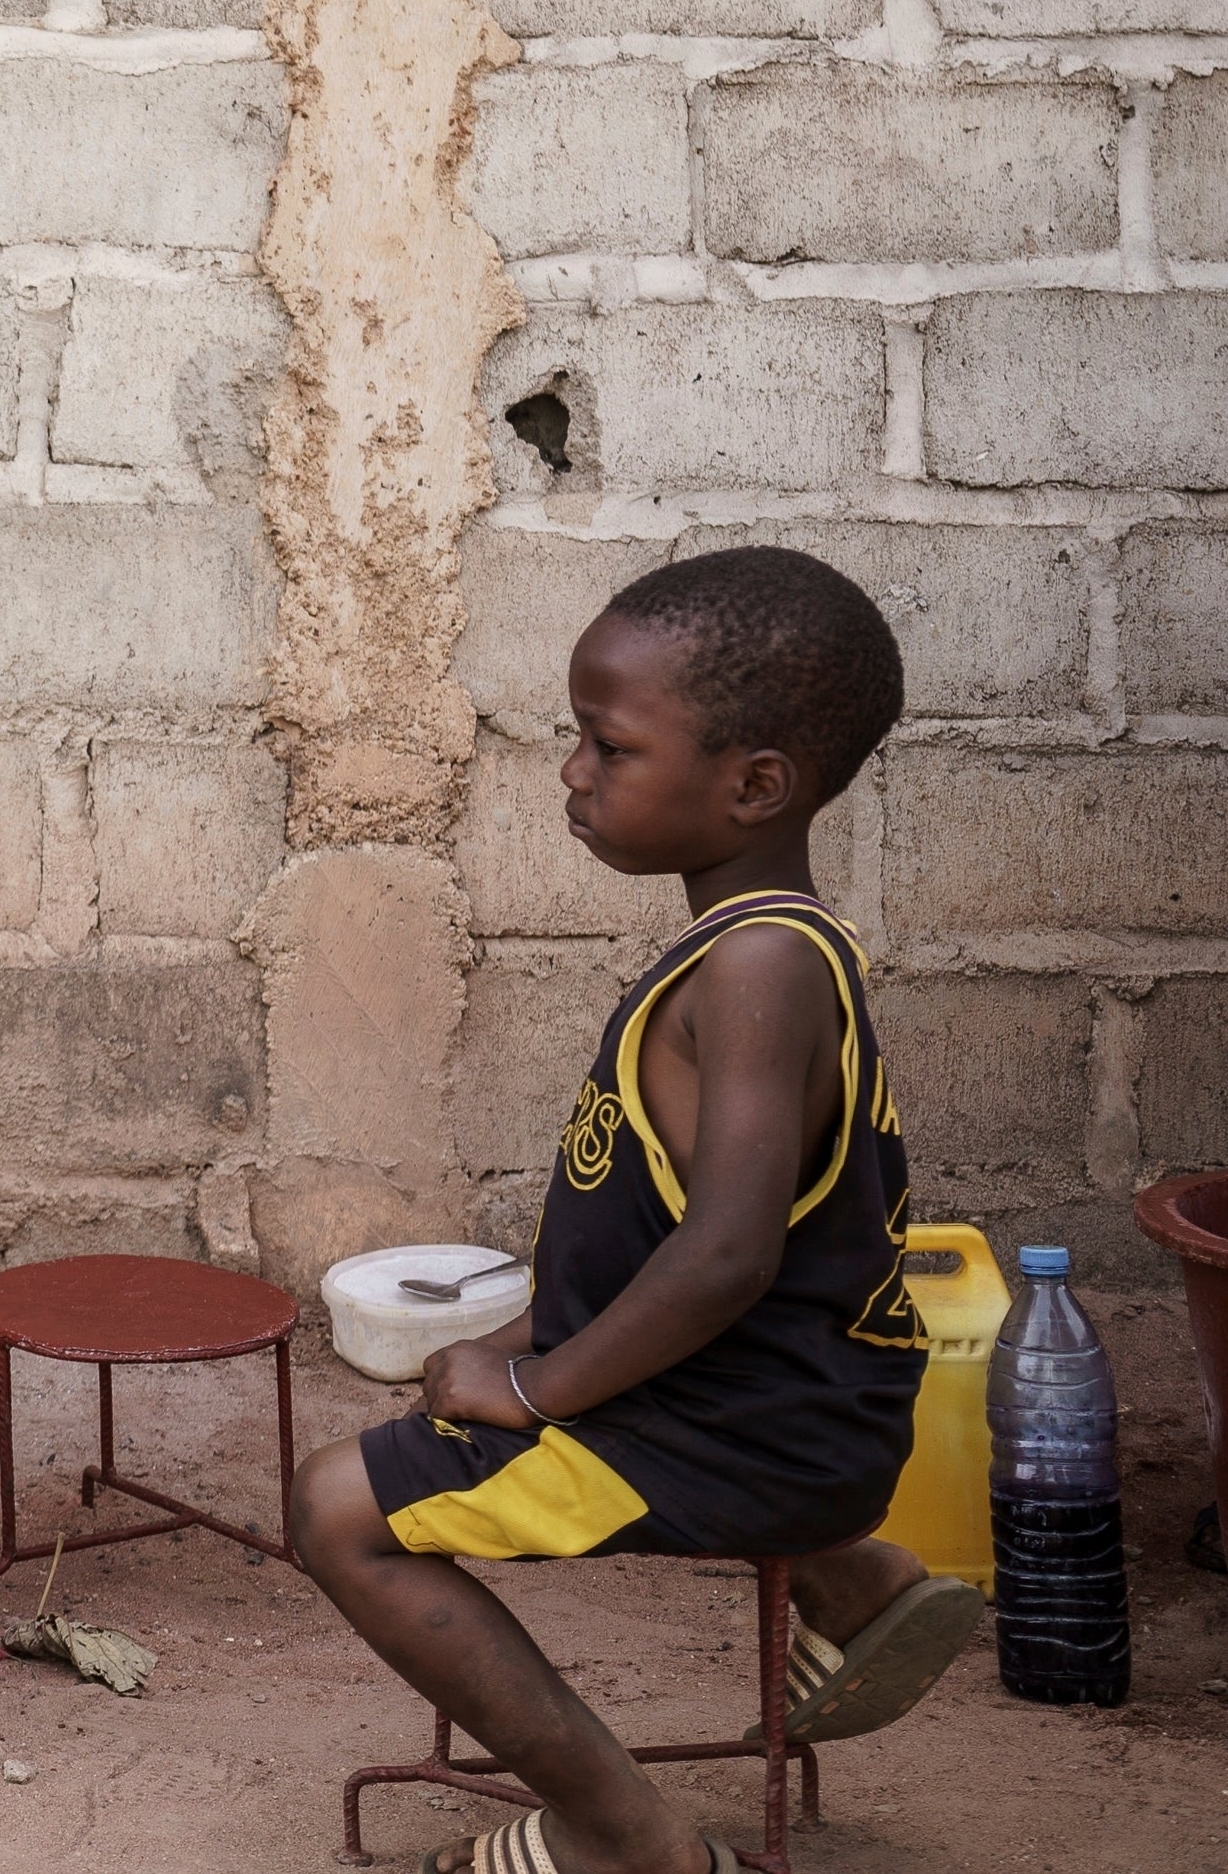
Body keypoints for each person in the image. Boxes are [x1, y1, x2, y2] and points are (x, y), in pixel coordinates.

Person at [289, 548, 984, 1874]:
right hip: (793, 1405)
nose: (572, 771)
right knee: (452, 1403)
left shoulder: (757, 966)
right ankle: (854, 1574)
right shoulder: (770, 941)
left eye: (607, 745)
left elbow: (728, 1252)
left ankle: (626, 1839)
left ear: (755, 783)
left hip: (747, 1427)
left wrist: (540, 1382)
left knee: (336, 1505)